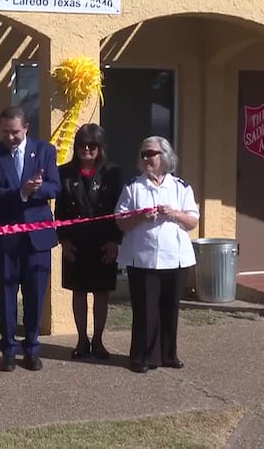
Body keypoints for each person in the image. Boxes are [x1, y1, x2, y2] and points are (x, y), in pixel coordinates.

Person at [0, 106, 60, 372]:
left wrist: (36, 190)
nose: (10, 137)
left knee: (35, 294)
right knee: (5, 295)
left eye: (14, 132)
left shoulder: (45, 151)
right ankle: (8, 349)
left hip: (37, 239)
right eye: (4, 132)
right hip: (5, 239)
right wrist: (21, 193)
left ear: (26, 128)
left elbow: (55, 186)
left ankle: (32, 348)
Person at [115, 136, 199, 374]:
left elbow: (192, 221)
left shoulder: (181, 186)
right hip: (142, 259)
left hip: (176, 258)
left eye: (150, 153)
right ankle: (141, 356)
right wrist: (140, 216)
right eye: (142, 154)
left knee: (170, 307)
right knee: (144, 309)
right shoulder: (133, 187)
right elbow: (120, 221)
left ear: (164, 156)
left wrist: (174, 214)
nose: (145, 158)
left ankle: (168, 354)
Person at [55, 124, 123, 360]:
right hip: (76, 243)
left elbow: (119, 210)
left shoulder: (113, 173)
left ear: (100, 148)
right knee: (79, 292)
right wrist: (63, 240)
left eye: (92, 145)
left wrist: (116, 241)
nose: (86, 149)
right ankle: (82, 340)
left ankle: (99, 341)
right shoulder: (64, 173)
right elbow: (60, 211)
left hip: (104, 243)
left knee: (102, 293)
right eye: (82, 144)